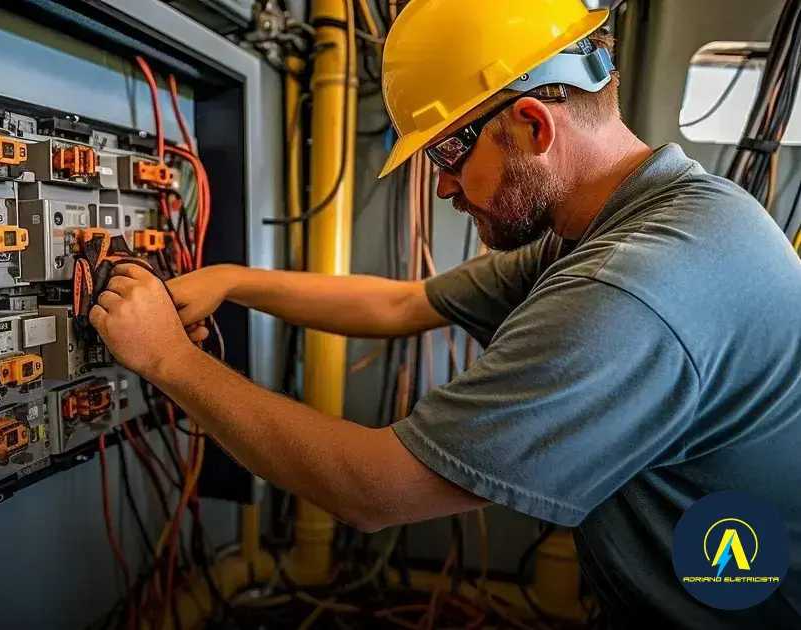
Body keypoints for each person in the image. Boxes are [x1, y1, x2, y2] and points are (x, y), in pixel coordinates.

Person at [89, 0, 801, 626]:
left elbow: (374, 490)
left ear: (532, 124)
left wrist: (168, 360)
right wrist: (234, 280)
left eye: (446, 154)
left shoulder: (629, 285)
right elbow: (400, 303)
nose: (443, 189)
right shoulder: (628, 221)